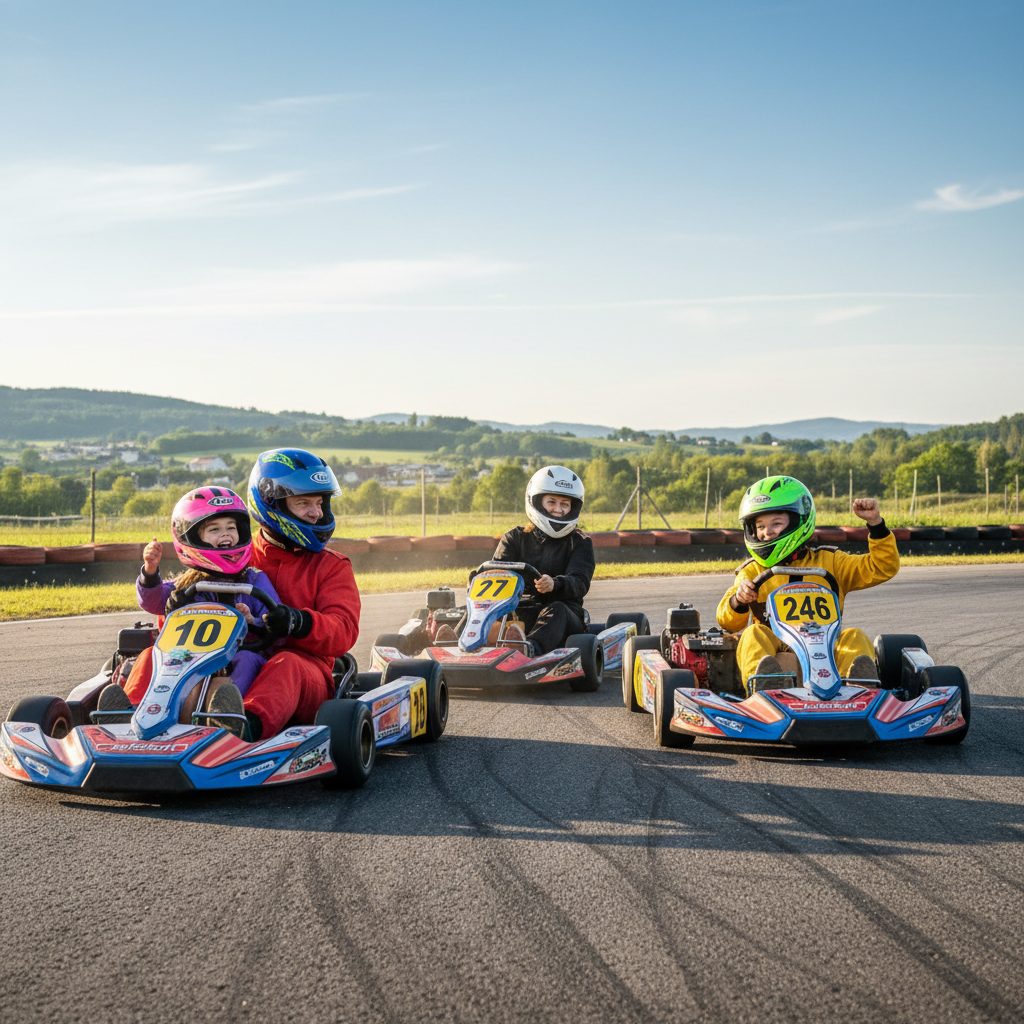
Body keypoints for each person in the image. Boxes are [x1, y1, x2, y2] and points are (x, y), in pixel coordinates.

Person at [99, 487, 280, 721]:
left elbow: (274, 620)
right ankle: (129, 711)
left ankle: (225, 715)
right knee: (148, 655)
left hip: (239, 654)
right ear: (193, 537)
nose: (225, 535)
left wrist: (252, 621)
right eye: (214, 529)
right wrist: (150, 571)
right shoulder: (185, 584)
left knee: (247, 661)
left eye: (231, 528)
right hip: (184, 658)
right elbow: (152, 600)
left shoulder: (255, 580)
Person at [716, 475, 900, 694]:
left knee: (854, 636)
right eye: (761, 526)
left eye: (776, 523)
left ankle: (859, 689)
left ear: (798, 520)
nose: (768, 532)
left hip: (826, 645)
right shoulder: (752, 571)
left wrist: (876, 525)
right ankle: (764, 686)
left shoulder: (831, 562)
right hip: (777, 650)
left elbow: (882, 567)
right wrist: (739, 600)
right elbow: (728, 622)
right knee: (752, 634)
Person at [225, 447, 361, 741]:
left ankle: (242, 729)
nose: (316, 513)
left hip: (305, 674)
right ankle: (128, 714)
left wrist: (298, 622)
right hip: (232, 663)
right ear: (271, 503)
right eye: (304, 503)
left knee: (286, 664)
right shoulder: (234, 560)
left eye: (319, 503)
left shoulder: (331, 566)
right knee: (155, 655)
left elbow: (344, 631)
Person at [480, 465, 595, 657]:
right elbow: (494, 573)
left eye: (564, 504)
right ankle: (456, 642)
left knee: (556, 610)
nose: (558, 509)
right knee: (475, 609)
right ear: (536, 502)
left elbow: (580, 582)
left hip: (563, 615)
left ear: (573, 507)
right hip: (518, 611)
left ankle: (528, 648)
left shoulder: (580, 543)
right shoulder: (514, 538)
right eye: (551, 502)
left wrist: (555, 584)